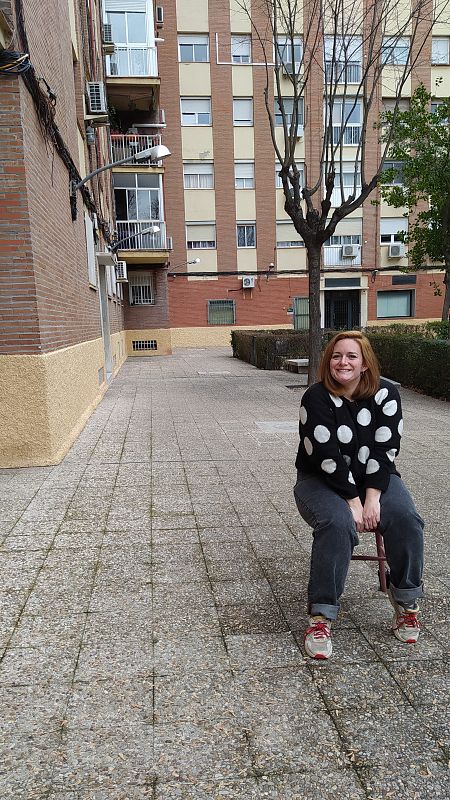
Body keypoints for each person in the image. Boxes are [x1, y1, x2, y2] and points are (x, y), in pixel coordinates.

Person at [293, 331, 424, 660]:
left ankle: (406, 602)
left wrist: (372, 498)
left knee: (406, 519)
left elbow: (386, 448)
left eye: (351, 356)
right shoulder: (316, 397)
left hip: (375, 478)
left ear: (365, 363)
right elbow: (326, 456)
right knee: (337, 524)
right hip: (319, 480)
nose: (343, 362)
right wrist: (353, 503)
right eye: (337, 356)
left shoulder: (386, 394)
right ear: (328, 362)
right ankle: (320, 617)